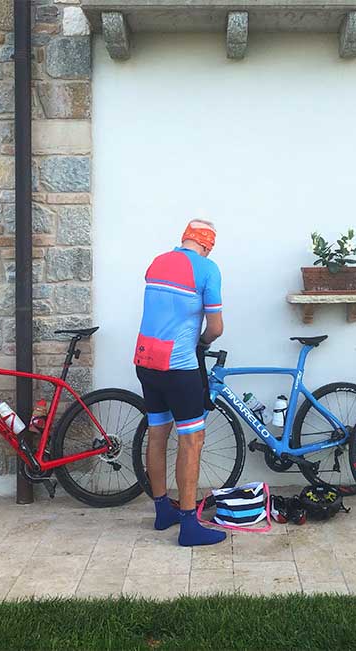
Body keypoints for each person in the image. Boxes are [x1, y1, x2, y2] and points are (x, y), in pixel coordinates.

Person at [134, 219, 226, 547]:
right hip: (178, 366)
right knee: (192, 440)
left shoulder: (157, 262)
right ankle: (189, 525)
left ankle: (163, 511)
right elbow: (215, 328)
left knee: (157, 434)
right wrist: (201, 344)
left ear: (184, 238)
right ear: (207, 245)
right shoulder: (207, 269)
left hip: (145, 360)